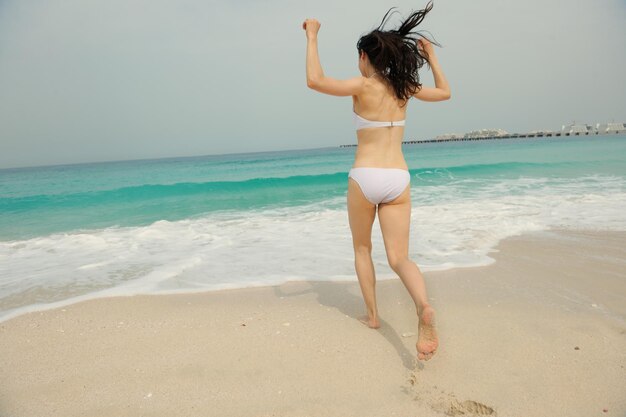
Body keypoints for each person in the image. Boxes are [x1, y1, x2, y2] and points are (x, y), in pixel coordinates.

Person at [302, 1, 450, 361]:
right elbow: (445, 93)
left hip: (365, 176)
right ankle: (423, 306)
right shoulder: (406, 89)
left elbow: (314, 80)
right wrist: (430, 57)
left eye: (359, 57)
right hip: (398, 178)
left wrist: (312, 35)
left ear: (366, 58)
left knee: (362, 249)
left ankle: (372, 316)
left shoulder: (362, 86)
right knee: (400, 257)